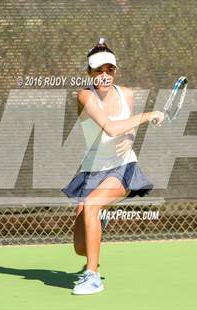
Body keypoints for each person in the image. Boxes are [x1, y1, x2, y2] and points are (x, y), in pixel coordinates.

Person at [61, 38, 164, 295]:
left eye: (109, 70)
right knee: (80, 247)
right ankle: (100, 222)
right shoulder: (85, 95)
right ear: (89, 73)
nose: (105, 75)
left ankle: (92, 276)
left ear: (115, 71)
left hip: (123, 167)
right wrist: (148, 116)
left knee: (93, 205)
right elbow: (110, 127)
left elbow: (125, 128)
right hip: (92, 170)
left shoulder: (126, 94)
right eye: (98, 70)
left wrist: (130, 138)